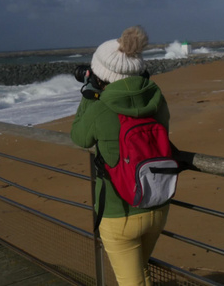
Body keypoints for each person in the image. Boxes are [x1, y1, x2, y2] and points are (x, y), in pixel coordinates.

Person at [70, 26, 171, 286]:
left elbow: (80, 137)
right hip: (157, 203)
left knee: (131, 282)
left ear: (98, 73)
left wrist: (88, 93)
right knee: (141, 274)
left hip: (119, 212)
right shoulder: (156, 97)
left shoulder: (99, 105)